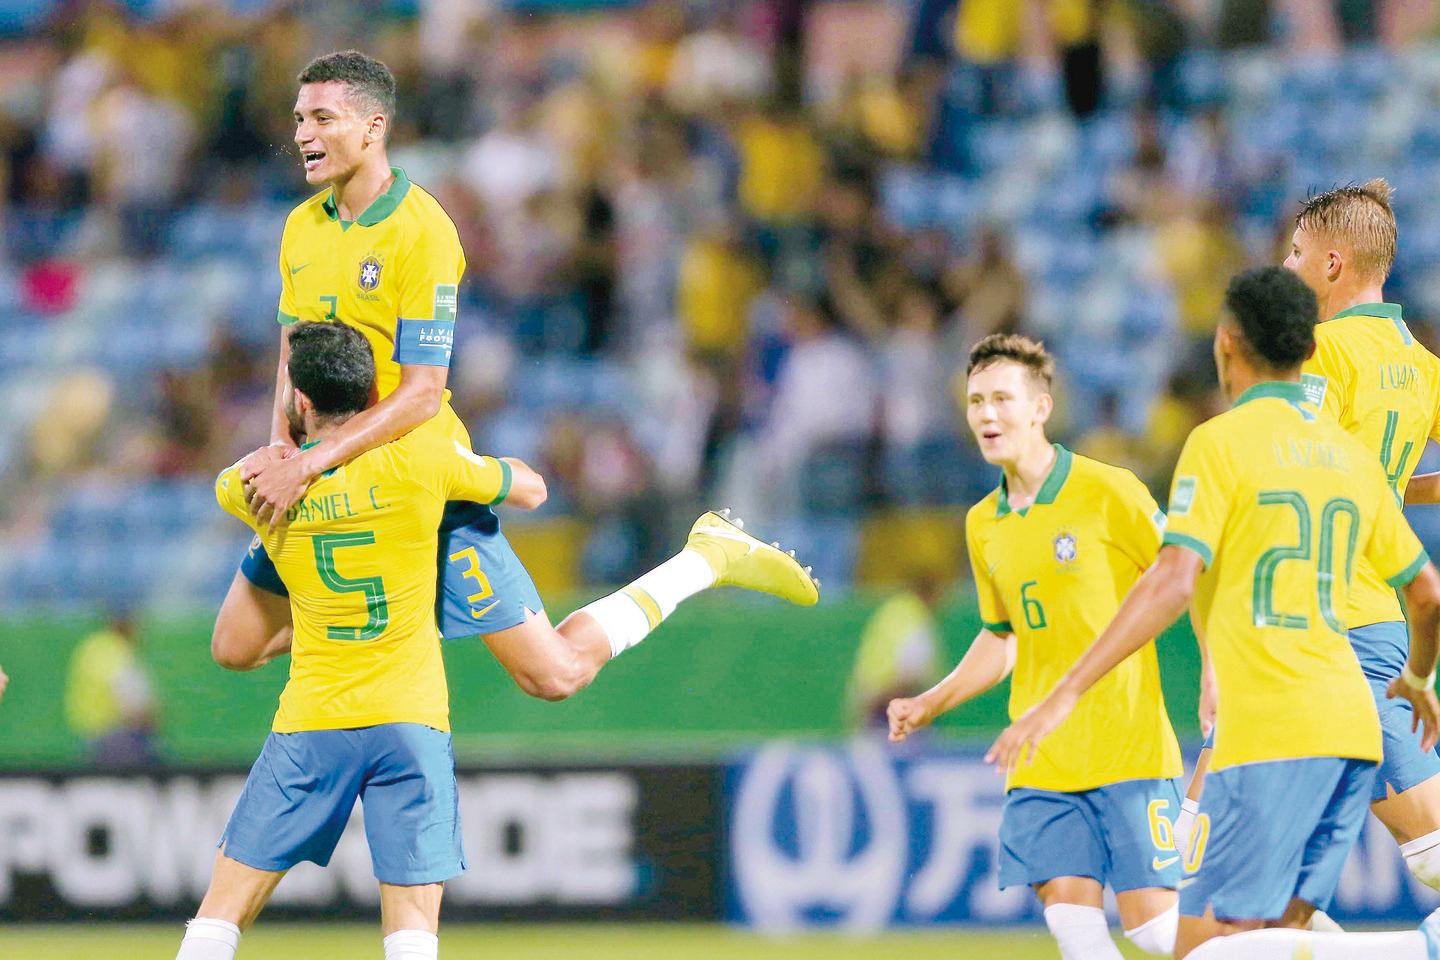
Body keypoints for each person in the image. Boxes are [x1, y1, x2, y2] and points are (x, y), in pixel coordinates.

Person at [177, 322, 819, 960]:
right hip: (410, 720)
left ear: (299, 401)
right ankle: (699, 565)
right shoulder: (419, 458)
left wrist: (282, 453)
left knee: (219, 915)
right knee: (410, 934)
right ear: (375, 392)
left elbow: (234, 479)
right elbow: (532, 487)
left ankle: (707, 557)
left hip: (312, 720)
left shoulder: (246, 487)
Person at [989, 267, 1440, 960]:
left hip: (1270, 733)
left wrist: (1067, 691)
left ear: (1228, 344)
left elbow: (1172, 580)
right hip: (1351, 732)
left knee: (1201, 949)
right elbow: (1427, 594)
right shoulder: (1349, 460)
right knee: (1272, 936)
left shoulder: (1221, 443)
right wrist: (1416, 678)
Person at [1177, 180, 1440, 894]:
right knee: (1423, 849)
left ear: (1331, 264)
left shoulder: (1321, 350)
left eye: (1296, 252)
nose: (1287, 266)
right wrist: (1396, 493)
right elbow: (1357, 478)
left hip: (1306, 622)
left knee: (1197, 869)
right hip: (1378, 624)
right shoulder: (1422, 367)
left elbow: (1291, 476)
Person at [888, 333, 1183, 959]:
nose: (987, 415)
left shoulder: (1110, 491)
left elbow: (1185, 577)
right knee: (1075, 931)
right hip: (1041, 760)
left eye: (1001, 398)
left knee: (1158, 934)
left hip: (1127, 748)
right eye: (975, 402)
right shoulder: (982, 523)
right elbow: (1003, 636)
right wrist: (932, 701)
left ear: (1041, 408)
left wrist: (1213, 673)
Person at [63, 612, 159, 767]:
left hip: (88, 736)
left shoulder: (91, 647)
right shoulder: (119, 652)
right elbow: (134, 705)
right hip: (116, 739)